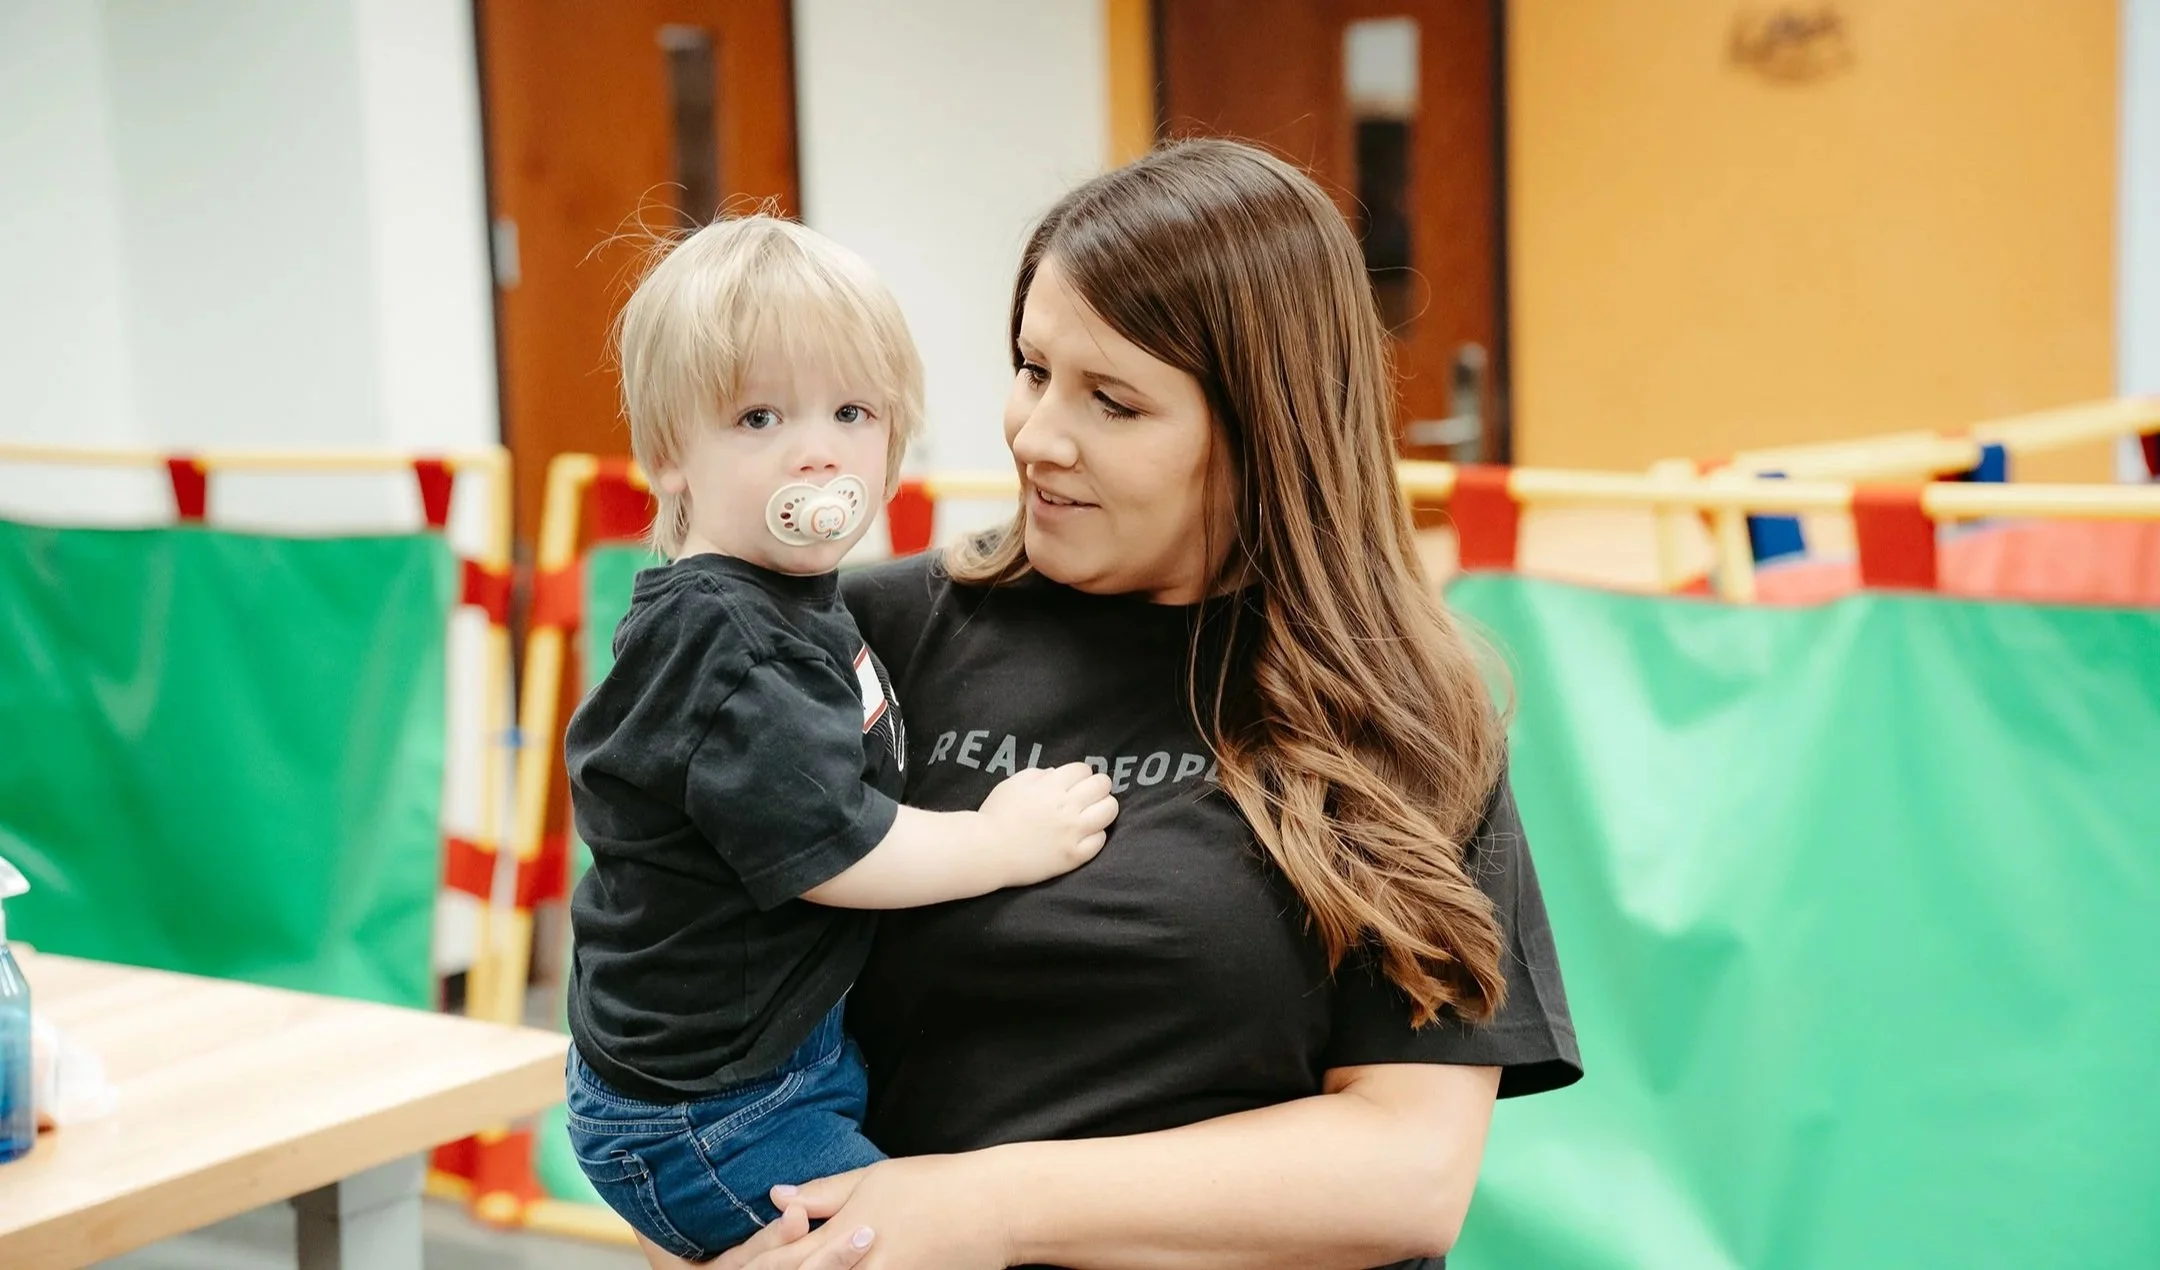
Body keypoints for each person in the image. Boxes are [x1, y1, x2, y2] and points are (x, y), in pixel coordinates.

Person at [684, 138, 1583, 1270]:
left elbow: (1406, 1169)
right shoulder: (864, 640)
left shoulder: (1395, 708)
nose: (1037, 435)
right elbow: (678, 978)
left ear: (1267, 430)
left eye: (1113, 401)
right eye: (1032, 369)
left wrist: (988, 1206)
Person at [561, 214, 1119, 1260]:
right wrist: (1002, 843)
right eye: (759, 416)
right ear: (668, 456)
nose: (816, 449)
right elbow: (839, 848)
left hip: (765, 1066)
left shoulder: (792, 600)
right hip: (711, 1109)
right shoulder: (725, 641)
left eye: (851, 411)